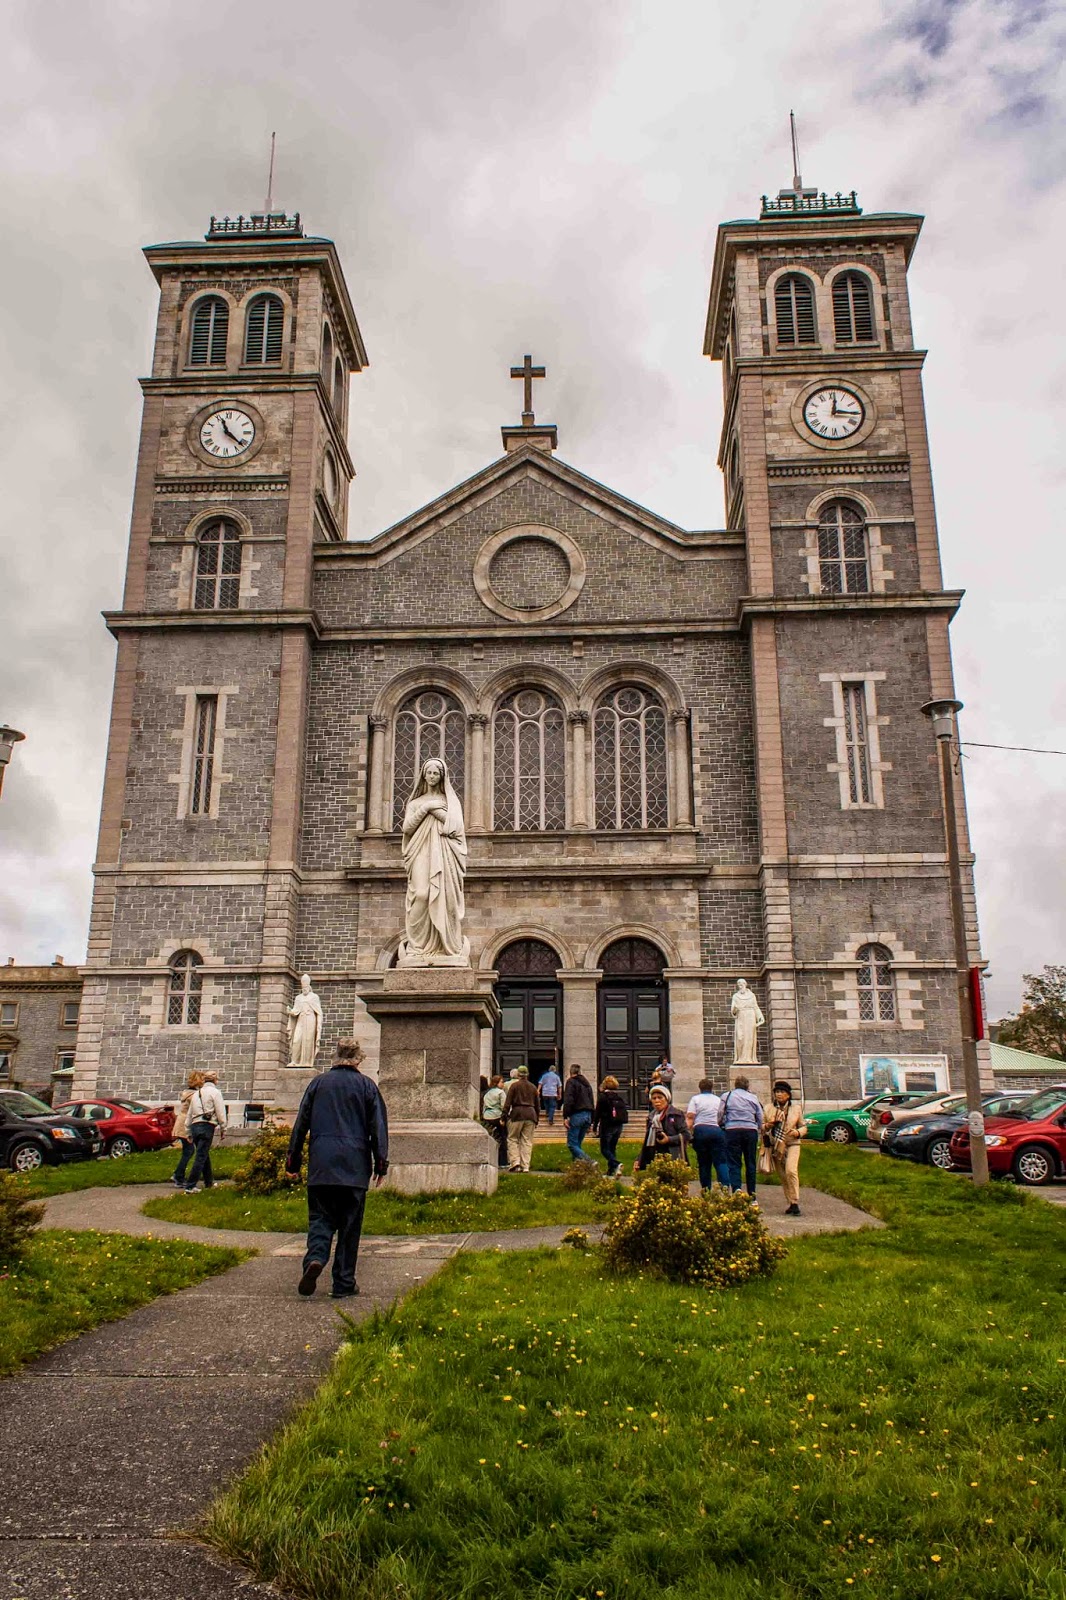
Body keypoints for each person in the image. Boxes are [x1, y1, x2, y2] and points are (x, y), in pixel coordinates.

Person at [285, 1038, 389, 1299]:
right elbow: (378, 1127)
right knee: (349, 1226)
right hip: (354, 1166)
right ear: (358, 1059)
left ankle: (316, 1257)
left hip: (322, 1164)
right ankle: (343, 1282)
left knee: (320, 1218)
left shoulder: (318, 1084)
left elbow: (301, 1124)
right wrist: (381, 1163)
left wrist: (293, 1162)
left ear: (336, 1056)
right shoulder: (367, 1086)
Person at [399, 757, 469, 963]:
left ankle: (446, 947)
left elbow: (455, 827)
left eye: (436, 773)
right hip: (420, 849)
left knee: (445, 898)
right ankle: (417, 948)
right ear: (423, 775)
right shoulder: (415, 803)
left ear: (442, 776)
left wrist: (433, 809)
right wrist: (427, 807)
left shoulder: (451, 802)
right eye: (429, 772)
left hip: (444, 852)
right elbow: (407, 828)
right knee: (421, 894)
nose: (432, 776)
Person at [763, 1080, 807, 1217]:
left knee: (791, 1171)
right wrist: (768, 1125)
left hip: (792, 1143)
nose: (779, 1094)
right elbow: (762, 1126)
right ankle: (790, 1203)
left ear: (788, 1095)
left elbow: (803, 1126)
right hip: (776, 1146)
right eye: (777, 1092)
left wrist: (798, 1132)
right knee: (782, 1175)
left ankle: (795, 1202)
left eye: (782, 1092)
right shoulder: (768, 1108)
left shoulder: (796, 1109)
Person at [718, 1073, 764, 1197]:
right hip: (750, 1131)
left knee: (734, 1162)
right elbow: (760, 1116)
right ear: (747, 1086)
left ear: (735, 1085)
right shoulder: (753, 1097)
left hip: (732, 1130)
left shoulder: (727, 1096)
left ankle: (737, 1188)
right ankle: (752, 1194)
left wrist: (720, 1123)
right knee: (750, 1162)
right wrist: (759, 1126)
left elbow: (720, 1113)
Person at [182, 1069, 227, 1192]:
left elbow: (190, 1113)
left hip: (195, 1125)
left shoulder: (197, 1093)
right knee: (201, 1156)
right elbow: (220, 1111)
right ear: (215, 1080)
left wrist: (188, 1131)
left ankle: (209, 1182)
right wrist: (223, 1128)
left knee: (204, 1154)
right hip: (207, 1125)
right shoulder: (215, 1093)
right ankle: (190, 1185)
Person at [686, 1078, 730, 1194]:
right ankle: (725, 1187)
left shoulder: (695, 1099)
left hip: (700, 1130)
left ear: (700, 1088)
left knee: (704, 1163)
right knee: (721, 1162)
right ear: (712, 1088)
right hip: (716, 1130)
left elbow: (690, 1117)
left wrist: (687, 1133)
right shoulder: (718, 1100)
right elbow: (723, 1116)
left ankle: (706, 1190)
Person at [634, 1084, 689, 1171]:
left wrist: (669, 1139)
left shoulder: (676, 1114)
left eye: (660, 1097)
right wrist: (639, 1159)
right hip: (655, 1156)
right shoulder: (651, 1117)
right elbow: (647, 1140)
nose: (657, 1101)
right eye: (654, 1098)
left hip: (673, 1156)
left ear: (666, 1099)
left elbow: (686, 1135)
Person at [503, 1065, 540, 1172]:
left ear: (518, 1075)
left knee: (512, 1138)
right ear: (527, 1075)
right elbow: (537, 1105)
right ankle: (525, 1166)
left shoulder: (514, 1086)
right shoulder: (533, 1087)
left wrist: (504, 1115)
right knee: (527, 1141)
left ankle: (515, 1163)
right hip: (531, 1114)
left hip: (517, 1114)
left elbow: (508, 1102)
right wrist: (537, 1119)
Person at [592, 1075, 628, 1176]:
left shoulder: (603, 1097)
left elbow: (598, 1112)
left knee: (604, 1149)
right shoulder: (618, 1097)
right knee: (612, 1148)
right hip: (618, 1125)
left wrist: (594, 1126)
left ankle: (616, 1164)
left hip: (607, 1124)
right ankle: (611, 1170)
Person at [170, 1071, 202, 1188]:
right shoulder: (194, 1095)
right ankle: (178, 1176)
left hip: (181, 1121)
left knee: (187, 1150)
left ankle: (178, 1174)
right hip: (186, 1123)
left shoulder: (186, 1093)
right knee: (189, 1150)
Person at [562, 1063, 595, 1161]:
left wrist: (565, 1116)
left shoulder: (571, 1082)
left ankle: (589, 1161)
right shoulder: (587, 1084)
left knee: (572, 1144)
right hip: (588, 1114)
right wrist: (592, 1120)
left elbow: (569, 1100)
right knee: (578, 1144)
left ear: (570, 1072)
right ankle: (577, 1165)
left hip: (577, 1114)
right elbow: (591, 1101)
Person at [481, 1074, 509, 1169]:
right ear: (497, 1083)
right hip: (497, 1116)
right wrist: (503, 1118)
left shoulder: (487, 1093)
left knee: (492, 1138)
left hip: (487, 1116)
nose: (503, 1084)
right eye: (502, 1082)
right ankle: (502, 1162)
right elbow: (504, 1106)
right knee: (502, 1139)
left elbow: (484, 1105)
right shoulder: (501, 1092)